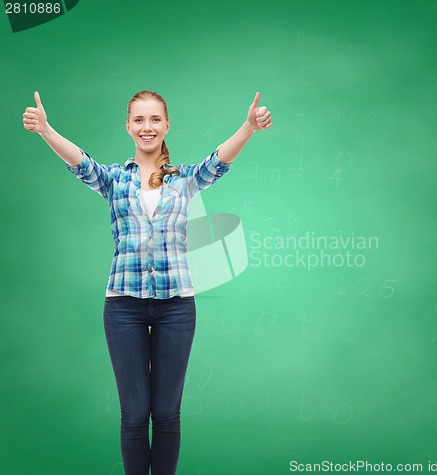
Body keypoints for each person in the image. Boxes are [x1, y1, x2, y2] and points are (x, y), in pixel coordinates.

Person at [22, 89, 272, 475]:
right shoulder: (113, 180)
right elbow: (81, 163)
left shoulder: (183, 179)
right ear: (128, 127)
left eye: (155, 119)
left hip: (176, 306)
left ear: (167, 125)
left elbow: (217, 162)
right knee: (135, 415)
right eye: (139, 120)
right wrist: (47, 131)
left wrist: (248, 127)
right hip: (124, 306)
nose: (147, 127)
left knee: (167, 414)